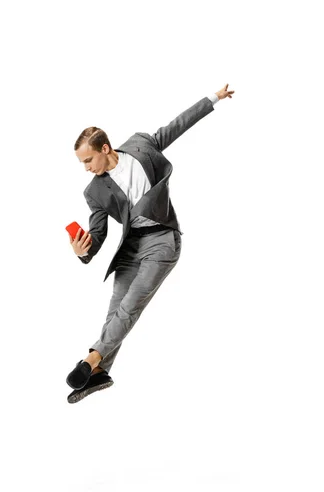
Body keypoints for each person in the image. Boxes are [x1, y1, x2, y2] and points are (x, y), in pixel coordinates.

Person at [66, 84, 235, 403]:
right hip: (131, 247)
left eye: (88, 160)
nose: (87, 169)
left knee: (131, 307)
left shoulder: (142, 146)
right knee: (116, 309)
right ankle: (100, 373)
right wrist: (83, 250)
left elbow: (178, 124)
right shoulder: (95, 192)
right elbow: (97, 233)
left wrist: (214, 98)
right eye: (82, 164)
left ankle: (91, 359)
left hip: (162, 241)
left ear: (105, 149)